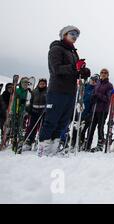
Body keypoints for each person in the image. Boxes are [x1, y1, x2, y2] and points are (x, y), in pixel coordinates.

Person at [38, 25, 90, 157]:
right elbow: (56, 69)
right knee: (51, 120)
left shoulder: (73, 52)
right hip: (57, 90)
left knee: (62, 121)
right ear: (64, 34)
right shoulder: (56, 49)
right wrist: (74, 67)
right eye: (72, 33)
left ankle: (54, 149)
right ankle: (43, 149)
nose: (74, 36)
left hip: (70, 91)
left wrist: (83, 72)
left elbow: (75, 71)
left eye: (76, 35)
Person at [86, 68, 113, 152]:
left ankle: (100, 144)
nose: (103, 74)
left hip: (103, 109)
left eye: (105, 73)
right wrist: (93, 97)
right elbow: (94, 94)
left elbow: (108, 98)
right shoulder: (97, 83)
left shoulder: (109, 85)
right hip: (95, 108)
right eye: (102, 72)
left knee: (100, 127)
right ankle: (87, 145)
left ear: (108, 75)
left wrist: (98, 95)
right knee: (91, 127)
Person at [23, 78, 48, 151]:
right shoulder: (34, 91)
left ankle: (40, 142)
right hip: (34, 112)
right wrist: (29, 109)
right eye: (41, 83)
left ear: (46, 84)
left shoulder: (47, 91)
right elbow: (30, 101)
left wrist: (46, 110)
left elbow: (48, 101)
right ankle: (29, 142)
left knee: (42, 128)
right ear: (38, 84)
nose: (42, 85)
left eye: (43, 84)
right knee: (31, 127)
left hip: (43, 112)